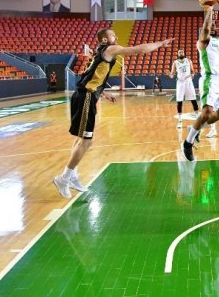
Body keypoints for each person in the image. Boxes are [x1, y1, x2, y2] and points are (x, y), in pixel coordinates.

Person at [52, 29, 173, 198]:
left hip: (85, 94)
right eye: (113, 35)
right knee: (87, 141)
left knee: (81, 138)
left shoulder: (100, 52)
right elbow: (138, 50)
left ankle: (71, 175)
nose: (116, 36)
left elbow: (92, 76)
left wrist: (103, 92)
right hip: (85, 96)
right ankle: (64, 178)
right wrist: (161, 44)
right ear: (104, 39)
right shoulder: (109, 49)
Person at [182, 0, 219, 160]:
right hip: (209, 79)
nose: (212, 25)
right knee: (206, 113)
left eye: (213, 23)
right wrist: (209, 9)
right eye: (210, 23)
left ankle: (194, 129)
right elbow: (205, 29)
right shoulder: (203, 41)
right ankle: (188, 143)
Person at [170, 49, 199, 128]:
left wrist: (192, 75)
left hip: (188, 82)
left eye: (182, 52)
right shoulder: (175, 63)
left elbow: (193, 71)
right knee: (179, 102)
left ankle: (197, 118)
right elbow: (172, 75)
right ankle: (179, 120)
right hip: (180, 83)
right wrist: (170, 75)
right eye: (179, 52)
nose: (181, 53)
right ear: (177, 54)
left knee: (193, 100)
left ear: (184, 53)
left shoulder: (188, 60)